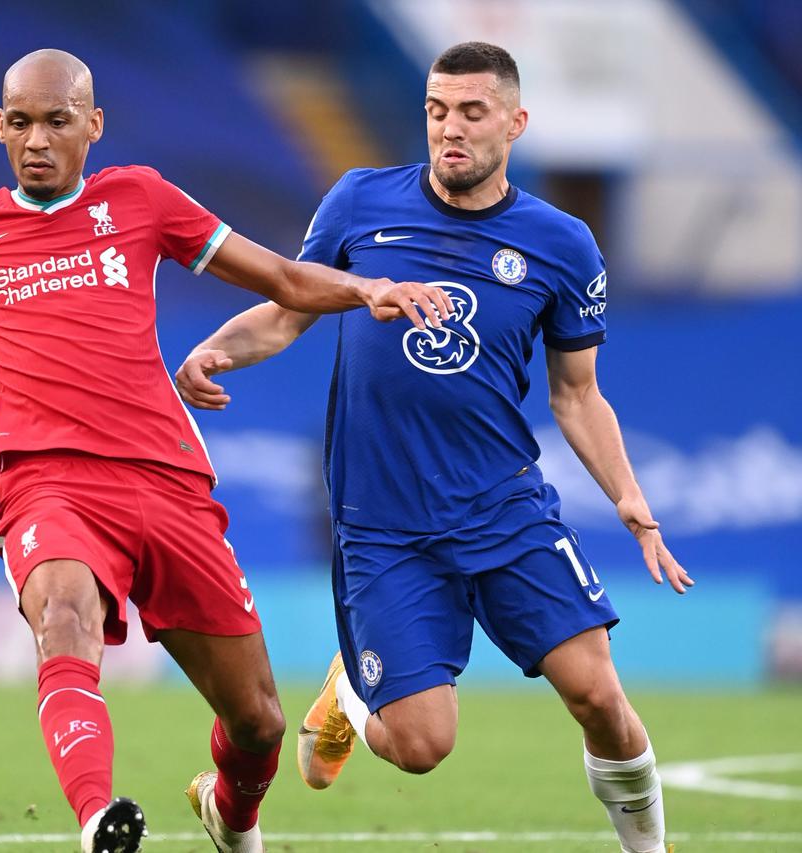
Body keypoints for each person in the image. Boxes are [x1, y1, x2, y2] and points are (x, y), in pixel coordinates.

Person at [0, 49, 448, 853]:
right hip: (47, 482)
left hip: (167, 481)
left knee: (258, 720)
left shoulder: (141, 200)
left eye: (57, 121)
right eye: (20, 121)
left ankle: (232, 816)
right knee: (64, 618)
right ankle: (101, 817)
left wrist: (365, 288)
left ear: (92, 125)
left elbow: (279, 275)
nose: (37, 139)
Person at [175, 42, 693, 853]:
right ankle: (353, 697)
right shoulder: (358, 202)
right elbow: (286, 308)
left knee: (597, 694)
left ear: (516, 124)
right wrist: (216, 349)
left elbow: (577, 393)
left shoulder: (561, 245)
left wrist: (630, 499)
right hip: (383, 525)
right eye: (437, 111)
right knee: (421, 748)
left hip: (504, 506)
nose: (450, 129)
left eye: (472, 113)